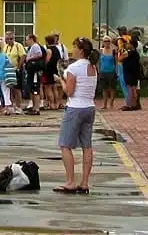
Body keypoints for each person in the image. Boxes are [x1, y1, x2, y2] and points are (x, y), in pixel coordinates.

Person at [55, 37, 98, 194]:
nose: (72, 49)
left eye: (74, 46)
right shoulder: (93, 67)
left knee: (65, 144)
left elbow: (69, 91)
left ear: (80, 50)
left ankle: (70, 181)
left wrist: (60, 81)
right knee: (87, 146)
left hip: (75, 107)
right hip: (89, 107)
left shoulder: (74, 68)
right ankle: (85, 182)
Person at [3, 31, 26, 115]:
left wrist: (19, 67)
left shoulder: (18, 45)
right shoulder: (5, 47)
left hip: (15, 69)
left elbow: (23, 56)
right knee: (10, 88)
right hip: (7, 70)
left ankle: (19, 106)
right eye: (7, 39)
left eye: (11, 39)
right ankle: (12, 105)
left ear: (14, 38)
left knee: (17, 89)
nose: (9, 40)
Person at [23, 34, 45, 115]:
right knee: (32, 89)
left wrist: (30, 58)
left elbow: (39, 54)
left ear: (31, 39)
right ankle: (34, 107)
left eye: (27, 40)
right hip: (31, 71)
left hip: (34, 71)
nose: (26, 41)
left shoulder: (35, 46)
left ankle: (36, 108)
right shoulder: (31, 47)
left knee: (35, 90)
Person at [120, 38, 142, 111]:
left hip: (130, 74)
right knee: (133, 89)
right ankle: (134, 104)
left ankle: (130, 104)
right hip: (133, 73)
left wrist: (122, 50)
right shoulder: (135, 53)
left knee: (131, 89)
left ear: (132, 45)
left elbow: (120, 58)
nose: (127, 44)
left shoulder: (130, 53)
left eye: (129, 43)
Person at [42, 34, 62, 110]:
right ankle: (57, 103)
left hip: (49, 71)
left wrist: (43, 65)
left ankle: (52, 104)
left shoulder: (49, 50)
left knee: (48, 88)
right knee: (55, 87)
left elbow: (47, 61)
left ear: (47, 42)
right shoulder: (57, 49)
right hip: (55, 70)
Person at [97, 37, 118, 110]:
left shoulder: (113, 51)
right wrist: (99, 71)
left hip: (111, 71)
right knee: (104, 89)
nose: (106, 43)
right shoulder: (100, 51)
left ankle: (111, 103)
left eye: (108, 41)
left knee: (112, 88)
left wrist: (116, 71)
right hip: (103, 72)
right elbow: (99, 62)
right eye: (105, 41)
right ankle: (104, 104)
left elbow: (116, 62)